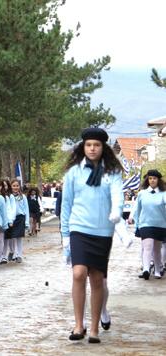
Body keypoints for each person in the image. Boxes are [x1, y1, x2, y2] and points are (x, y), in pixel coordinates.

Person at [61, 127, 123, 344]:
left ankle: (95, 327)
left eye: (96, 145)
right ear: (83, 147)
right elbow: (66, 204)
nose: (92, 148)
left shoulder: (112, 172)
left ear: (103, 147)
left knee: (97, 278)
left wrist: (116, 211)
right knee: (78, 273)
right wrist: (65, 234)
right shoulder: (73, 173)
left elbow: (117, 195)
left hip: (103, 231)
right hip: (79, 228)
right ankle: (79, 325)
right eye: (88, 145)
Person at [128, 169, 166, 280]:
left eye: (154, 178)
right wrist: (135, 221)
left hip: (160, 224)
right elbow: (137, 208)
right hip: (145, 224)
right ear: (147, 180)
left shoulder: (163, 194)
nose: (152, 180)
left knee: (157, 249)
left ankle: (158, 270)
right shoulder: (142, 194)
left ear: (158, 180)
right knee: (147, 246)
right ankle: (146, 269)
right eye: (150, 178)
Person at [7, 179, 29, 263]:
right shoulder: (9, 196)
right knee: (11, 237)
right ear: (11, 187)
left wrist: (26, 222)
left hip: (20, 218)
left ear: (19, 186)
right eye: (14, 186)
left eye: (17, 186)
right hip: (11, 219)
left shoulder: (22, 197)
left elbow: (26, 209)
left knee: (19, 237)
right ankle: (12, 251)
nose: (15, 187)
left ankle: (19, 255)